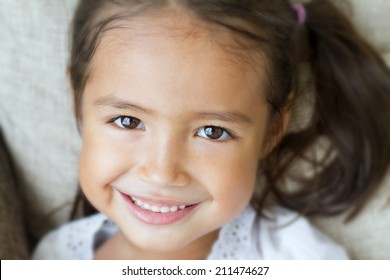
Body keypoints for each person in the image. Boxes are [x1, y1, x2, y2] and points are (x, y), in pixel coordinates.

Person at [33, 0, 390, 259]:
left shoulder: (298, 257)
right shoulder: (57, 257)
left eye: (212, 132)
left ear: (272, 130)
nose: (162, 173)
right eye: (128, 121)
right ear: (78, 103)